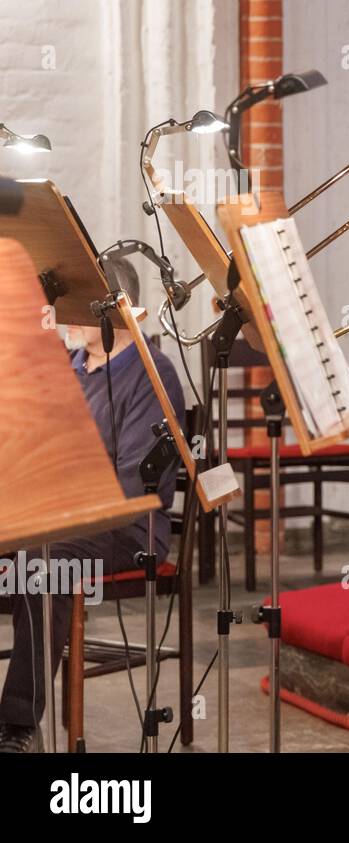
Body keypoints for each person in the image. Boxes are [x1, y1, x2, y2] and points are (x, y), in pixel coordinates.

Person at [0, 257, 184, 753]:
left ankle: (16, 726)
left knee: (45, 564)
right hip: (55, 518)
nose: (63, 318)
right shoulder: (69, 367)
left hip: (126, 525)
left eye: (78, 307)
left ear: (117, 311)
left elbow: (133, 484)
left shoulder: (151, 372)